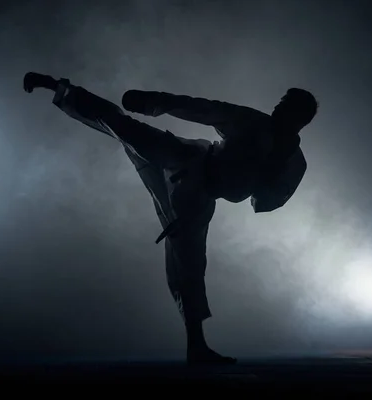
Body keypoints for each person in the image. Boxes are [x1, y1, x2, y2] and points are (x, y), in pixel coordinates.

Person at [23, 72, 318, 365]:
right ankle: (58, 87)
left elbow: (262, 203)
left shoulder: (293, 163)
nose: (277, 109)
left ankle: (197, 346)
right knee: (126, 127)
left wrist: (268, 173)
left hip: (198, 199)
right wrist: (153, 102)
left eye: (286, 106)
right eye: (280, 102)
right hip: (186, 158)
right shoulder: (254, 122)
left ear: (300, 118)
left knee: (189, 265)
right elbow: (204, 108)